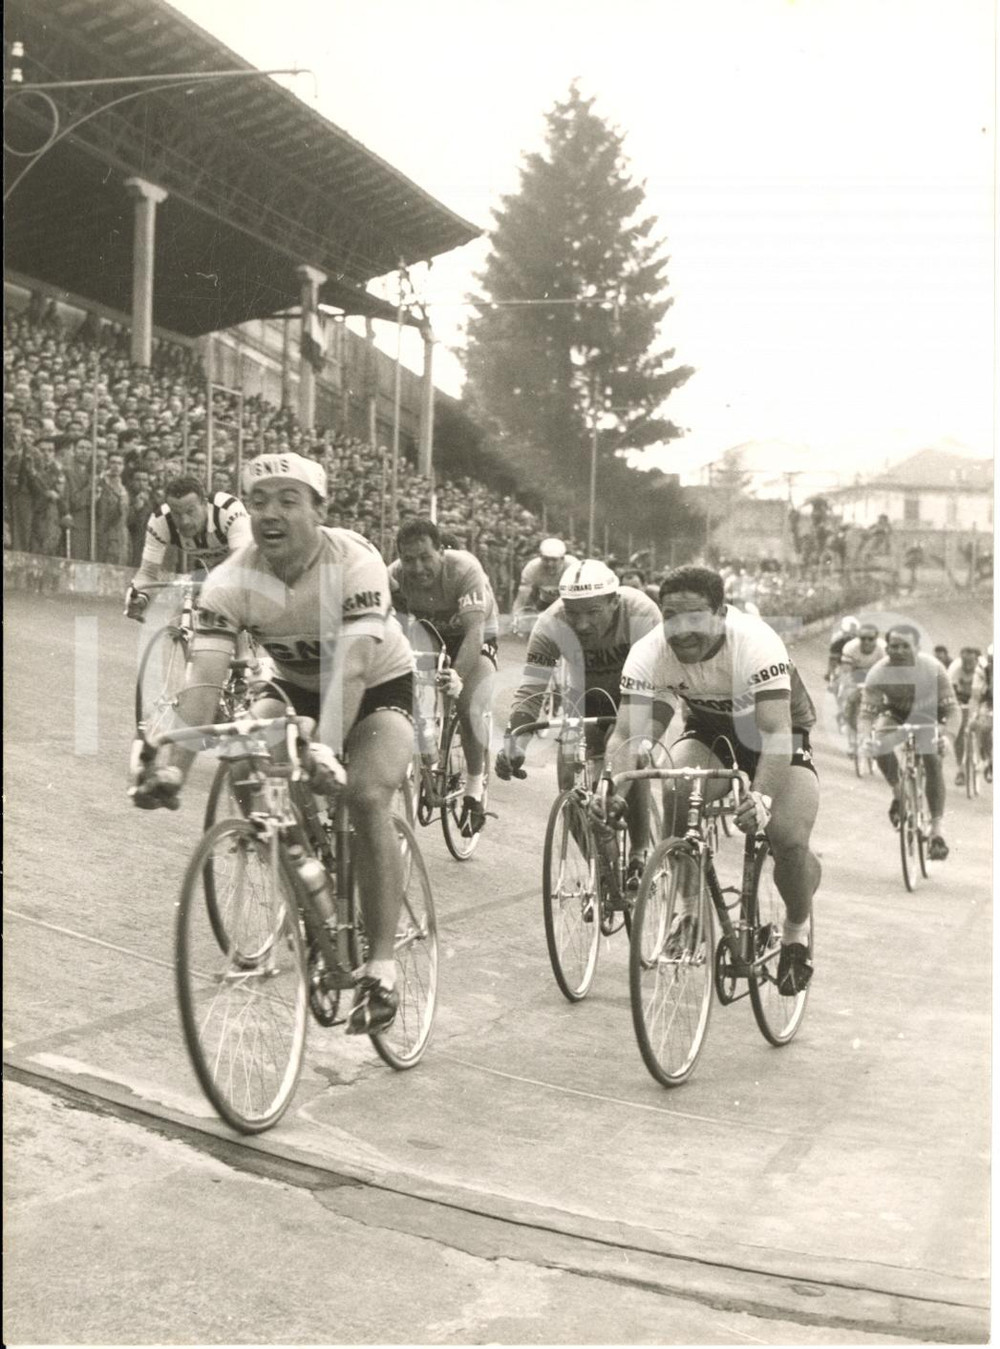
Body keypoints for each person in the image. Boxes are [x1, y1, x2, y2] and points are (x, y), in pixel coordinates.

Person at [130, 452, 416, 1034]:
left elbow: (355, 666)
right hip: (294, 686)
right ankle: (309, 879)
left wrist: (326, 750)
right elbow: (204, 681)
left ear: (319, 509)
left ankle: (382, 965)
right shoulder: (231, 578)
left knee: (364, 797)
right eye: (258, 502)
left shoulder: (355, 559)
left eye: (289, 500)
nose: (270, 514)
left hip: (378, 685)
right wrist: (174, 771)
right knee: (243, 758)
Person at [597, 564, 821, 996]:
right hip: (712, 732)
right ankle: (689, 910)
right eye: (670, 616)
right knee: (679, 785)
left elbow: (776, 732)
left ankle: (796, 930)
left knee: (787, 839)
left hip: (777, 735)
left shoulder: (756, 642)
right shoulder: (650, 651)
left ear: (721, 612)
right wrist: (611, 787)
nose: (681, 630)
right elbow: (629, 734)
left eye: (695, 616)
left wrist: (762, 797)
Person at [495, 560, 661, 889]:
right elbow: (531, 689)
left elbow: (657, 683)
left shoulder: (641, 613)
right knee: (569, 783)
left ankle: (641, 851)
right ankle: (601, 870)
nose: (582, 624)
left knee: (631, 752)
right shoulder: (550, 622)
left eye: (593, 612)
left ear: (615, 602)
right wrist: (515, 741)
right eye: (574, 613)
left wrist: (632, 735)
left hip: (637, 696)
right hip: (583, 698)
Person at [388, 517, 498, 835]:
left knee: (468, 704)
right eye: (409, 559)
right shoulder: (393, 576)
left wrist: (458, 677)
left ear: (441, 552)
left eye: (426, 557)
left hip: (473, 636)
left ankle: (475, 788)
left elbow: (475, 633)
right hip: (430, 636)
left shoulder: (465, 569)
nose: (418, 567)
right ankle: (425, 749)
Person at [857, 624, 960, 860]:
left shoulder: (933, 668)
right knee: (880, 740)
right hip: (894, 713)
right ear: (887, 647)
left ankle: (936, 830)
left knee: (932, 757)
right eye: (894, 646)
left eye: (906, 646)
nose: (899, 651)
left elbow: (953, 710)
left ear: (917, 647)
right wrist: (865, 740)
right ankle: (899, 792)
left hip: (926, 714)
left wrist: (948, 737)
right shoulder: (878, 672)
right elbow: (866, 715)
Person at [124, 474, 252, 619]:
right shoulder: (160, 521)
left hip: (251, 564)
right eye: (177, 514)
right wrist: (141, 596)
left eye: (190, 511)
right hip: (215, 567)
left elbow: (241, 566)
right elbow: (148, 572)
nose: (184, 521)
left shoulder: (227, 510)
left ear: (204, 504)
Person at [836, 622, 886, 752]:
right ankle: (852, 740)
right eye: (863, 638)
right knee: (847, 700)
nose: (867, 642)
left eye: (871, 639)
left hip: (876, 676)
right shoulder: (850, 648)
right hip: (855, 674)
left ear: (876, 638)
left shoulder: (883, 649)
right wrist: (849, 687)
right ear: (859, 638)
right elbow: (846, 672)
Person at [511, 537, 579, 629]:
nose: (549, 564)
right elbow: (522, 598)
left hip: (568, 602)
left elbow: (579, 598)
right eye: (546, 559)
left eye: (554, 560)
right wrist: (515, 619)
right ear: (540, 557)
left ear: (562, 559)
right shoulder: (532, 568)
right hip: (545, 600)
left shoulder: (573, 567)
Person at [947, 646, 981, 785]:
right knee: (960, 731)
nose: (967, 666)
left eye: (970, 662)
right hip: (960, 698)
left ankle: (985, 757)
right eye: (964, 662)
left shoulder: (983, 669)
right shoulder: (955, 668)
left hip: (980, 697)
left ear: (977, 660)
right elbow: (950, 693)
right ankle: (961, 769)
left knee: (983, 725)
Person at [967, 644, 993, 783]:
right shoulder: (981, 670)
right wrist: (975, 712)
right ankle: (988, 760)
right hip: (988, 701)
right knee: (983, 727)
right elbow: (976, 695)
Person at [825, 615, 860, 684]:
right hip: (839, 652)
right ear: (844, 632)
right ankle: (830, 673)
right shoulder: (837, 639)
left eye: (853, 635)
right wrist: (831, 672)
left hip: (851, 656)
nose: (850, 637)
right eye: (848, 635)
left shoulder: (857, 641)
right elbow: (833, 656)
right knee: (833, 660)